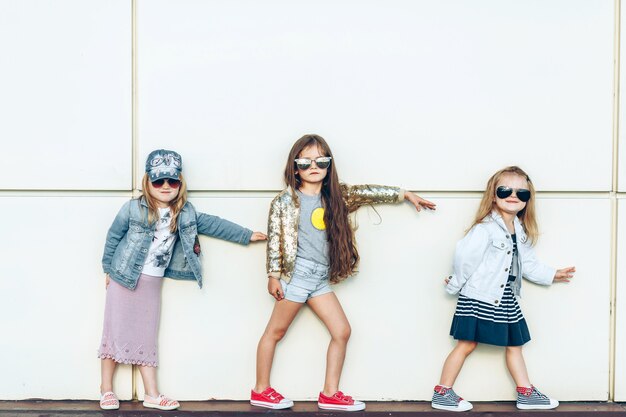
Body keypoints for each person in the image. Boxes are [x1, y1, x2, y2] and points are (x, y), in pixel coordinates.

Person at [251, 134, 436, 411]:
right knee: (275, 332)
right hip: (297, 276)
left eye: (321, 161)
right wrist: (273, 275)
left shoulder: (337, 195)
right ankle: (261, 390)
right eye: (305, 161)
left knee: (342, 331)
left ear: (329, 165)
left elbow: (368, 192)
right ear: (294, 166)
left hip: (320, 278)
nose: (313, 166)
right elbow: (276, 239)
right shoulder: (284, 201)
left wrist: (403, 194)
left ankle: (329, 393)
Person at [98, 149, 267, 411]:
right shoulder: (132, 208)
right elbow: (113, 237)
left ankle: (151, 394)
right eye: (158, 181)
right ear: (148, 183)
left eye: (172, 181)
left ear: (180, 184)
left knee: (146, 336)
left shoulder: (185, 213)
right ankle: (106, 388)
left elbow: (215, 224)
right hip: (123, 277)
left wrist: (246, 235)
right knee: (114, 332)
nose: (165, 186)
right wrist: (108, 268)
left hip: (152, 282)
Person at [431, 166, 575, 412]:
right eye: (505, 190)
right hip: (479, 295)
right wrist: (455, 284)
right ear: (493, 194)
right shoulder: (485, 228)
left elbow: (527, 263)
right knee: (467, 343)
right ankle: (442, 393)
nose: (513, 196)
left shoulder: (519, 229)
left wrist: (551, 274)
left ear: (528, 200)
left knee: (514, 343)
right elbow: (465, 258)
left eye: (522, 193)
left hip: (504, 296)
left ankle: (525, 393)